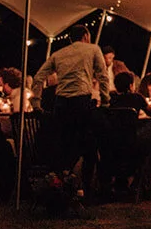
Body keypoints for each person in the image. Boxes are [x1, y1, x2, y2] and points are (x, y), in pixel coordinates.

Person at [34, 24, 110, 197]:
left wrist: (36, 104)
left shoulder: (58, 54)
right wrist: (105, 100)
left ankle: (60, 188)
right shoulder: (92, 49)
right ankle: (87, 189)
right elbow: (103, 75)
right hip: (81, 102)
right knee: (90, 145)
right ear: (85, 36)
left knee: (65, 147)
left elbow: (38, 77)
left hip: (61, 104)